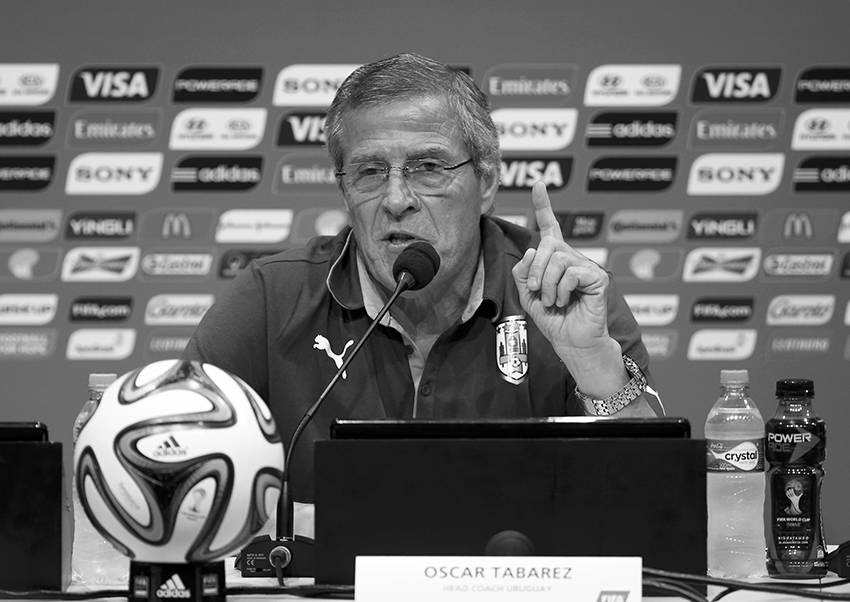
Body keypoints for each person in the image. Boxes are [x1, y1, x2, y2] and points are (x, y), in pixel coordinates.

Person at [182, 52, 662, 519]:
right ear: (345, 190)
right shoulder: (273, 297)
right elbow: (173, 467)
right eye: (369, 172)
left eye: (427, 167)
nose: (396, 200)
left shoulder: (562, 293)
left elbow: (651, 502)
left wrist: (591, 364)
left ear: (487, 182)